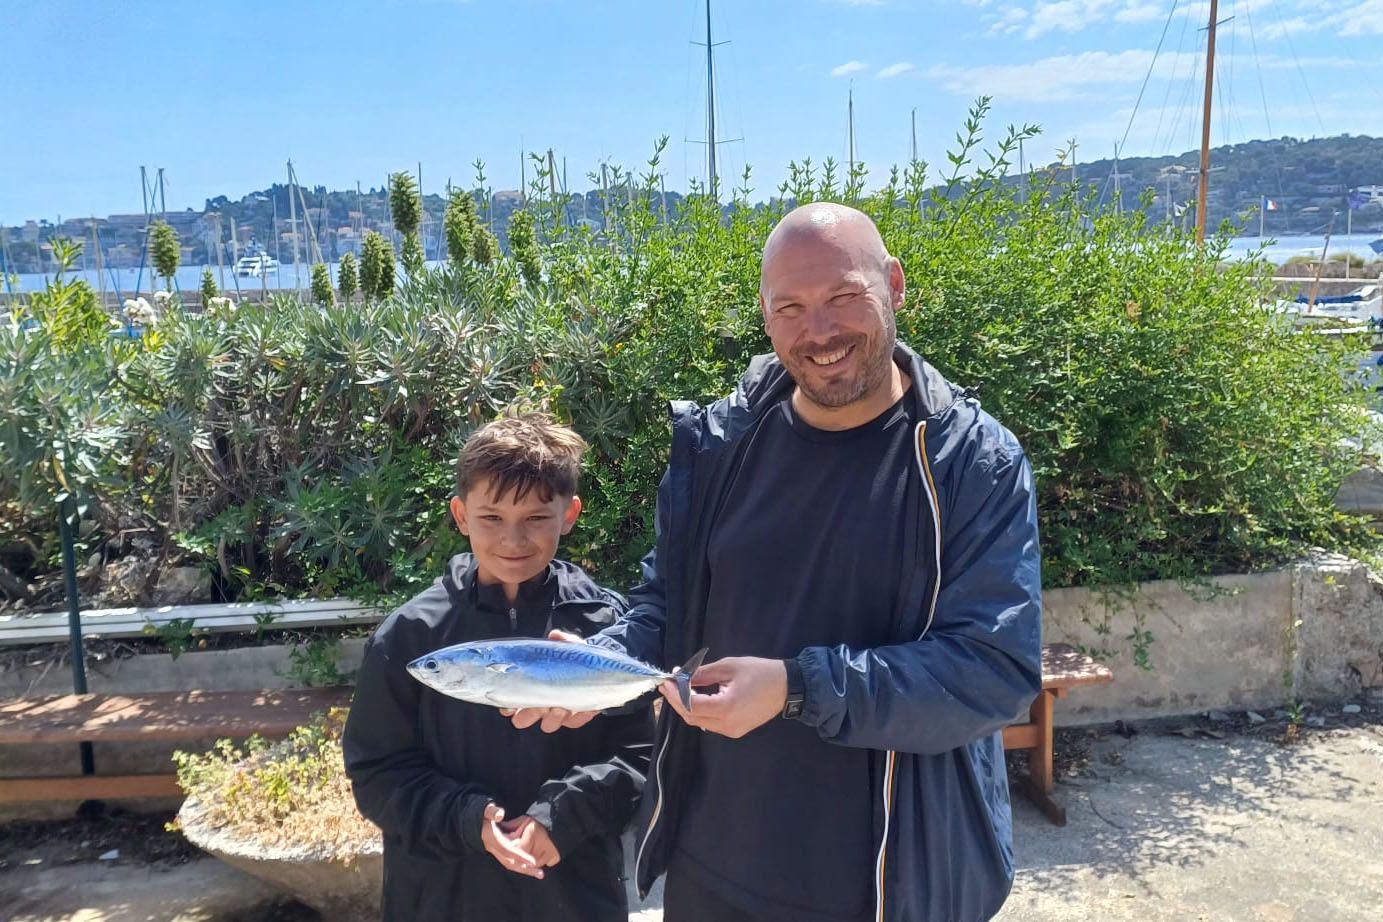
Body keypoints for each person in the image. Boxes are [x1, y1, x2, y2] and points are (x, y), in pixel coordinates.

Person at [512, 203, 1044, 922]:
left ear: (893, 284)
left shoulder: (968, 462)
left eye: (842, 297)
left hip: (893, 883)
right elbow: (666, 607)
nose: (818, 332)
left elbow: (994, 674)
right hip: (713, 868)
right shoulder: (718, 446)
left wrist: (797, 687)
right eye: (790, 307)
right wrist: (599, 669)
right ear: (764, 316)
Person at [343, 412, 651, 922]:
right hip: (444, 895)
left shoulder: (605, 625)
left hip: (572, 894)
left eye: (534, 518)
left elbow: (641, 754)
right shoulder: (413, 634)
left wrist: (560, 818)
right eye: (491, 518)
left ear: (569, 514)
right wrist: (469, 821)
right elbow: (378, 772)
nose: (513, 540)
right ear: (461, 516)